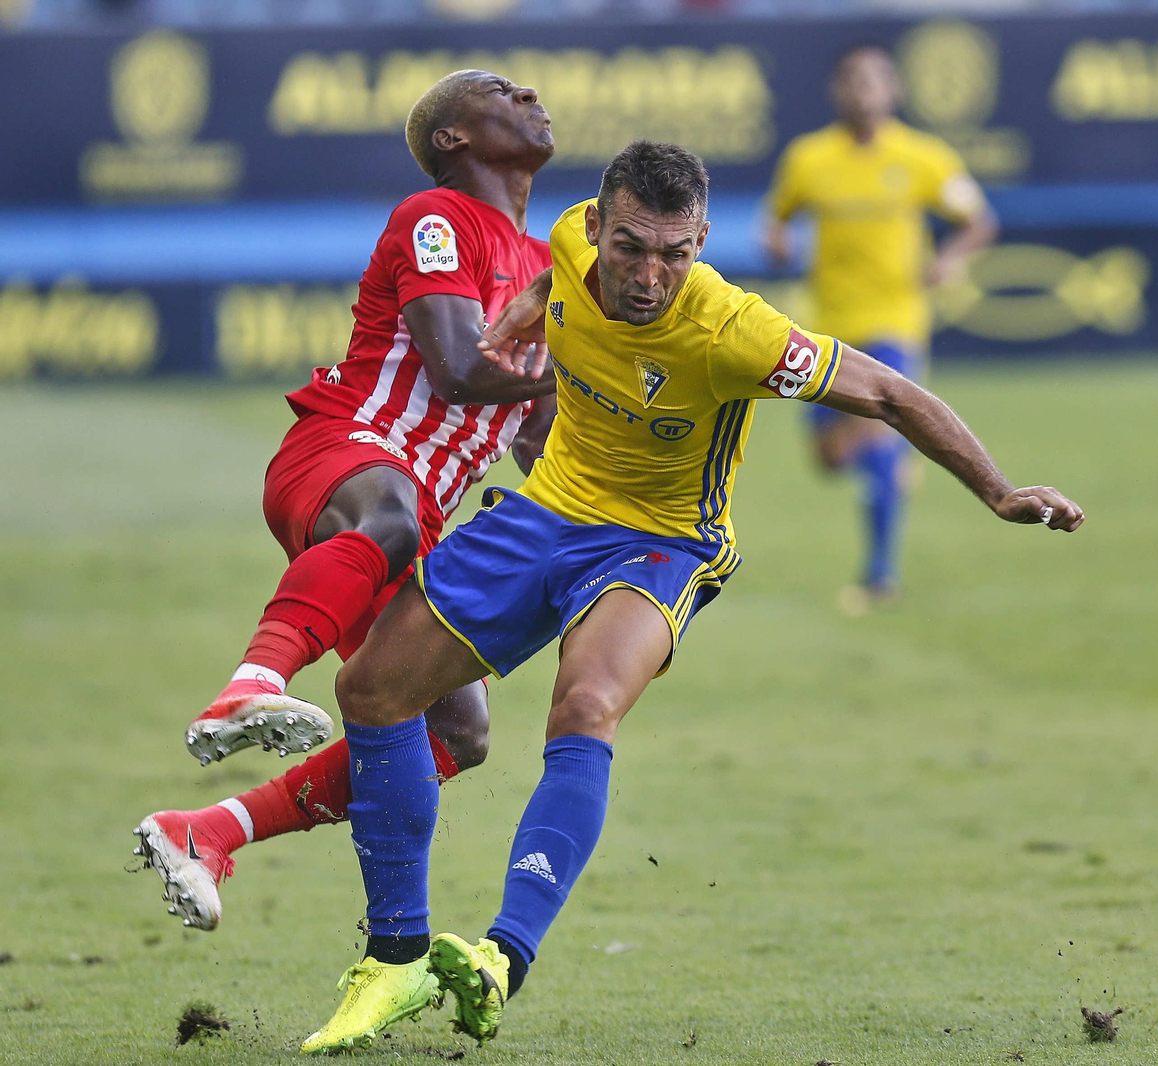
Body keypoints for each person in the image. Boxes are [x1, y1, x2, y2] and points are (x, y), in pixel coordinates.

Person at [295, 139, 1082, 1054]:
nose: (650, 275)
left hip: (662, 541)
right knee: (371, 690)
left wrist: (1000, 492)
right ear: (596, 226)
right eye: (631, 247)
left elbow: (893, 395)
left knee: (586, 703)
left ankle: (503, 959)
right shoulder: (566, 244)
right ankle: (394, 959)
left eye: (676, 253)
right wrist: (525, 307)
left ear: (703, 240)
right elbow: (558, 283)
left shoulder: (732, 330)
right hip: (550, 506)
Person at [132, 69, 558, 935]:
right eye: (499, 91)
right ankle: (251, 683)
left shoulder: (546, 267)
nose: (526, 91)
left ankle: (210, 830)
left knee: (456, 730)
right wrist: (583, 368)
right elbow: (455, 368)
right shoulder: (438, 217)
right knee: (394, 521)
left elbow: (538, 434)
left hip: (414, 514)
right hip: (347, 453)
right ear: (452, 139)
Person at [763, 43, 998, 612]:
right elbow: (778, 217)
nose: (864, 94)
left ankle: (879, 574)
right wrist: (777, 241)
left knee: (880, 434)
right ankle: (891, 462)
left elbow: (978, 221)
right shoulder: (809, 158)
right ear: (837, 92)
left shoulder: (923, 157)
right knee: (828, 457)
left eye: (875, 82)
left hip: (896, 322)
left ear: (893, 92)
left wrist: (949, 260)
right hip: (828, 326)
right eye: (853, 83)